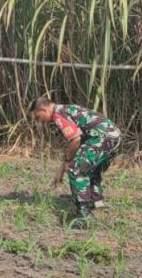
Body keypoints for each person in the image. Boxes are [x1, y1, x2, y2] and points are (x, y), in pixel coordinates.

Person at [29, 96, 121, 229]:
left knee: (76, 169)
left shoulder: (57, 114)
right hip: (114, 136)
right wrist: (63, 165)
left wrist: (67, 162)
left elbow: (75, 139)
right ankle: (96, 202)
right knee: (91, 170)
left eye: (38, 117)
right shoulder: (67, 109)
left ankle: (85, 215)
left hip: (102, 138)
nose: (40, 121)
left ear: (43, 110)